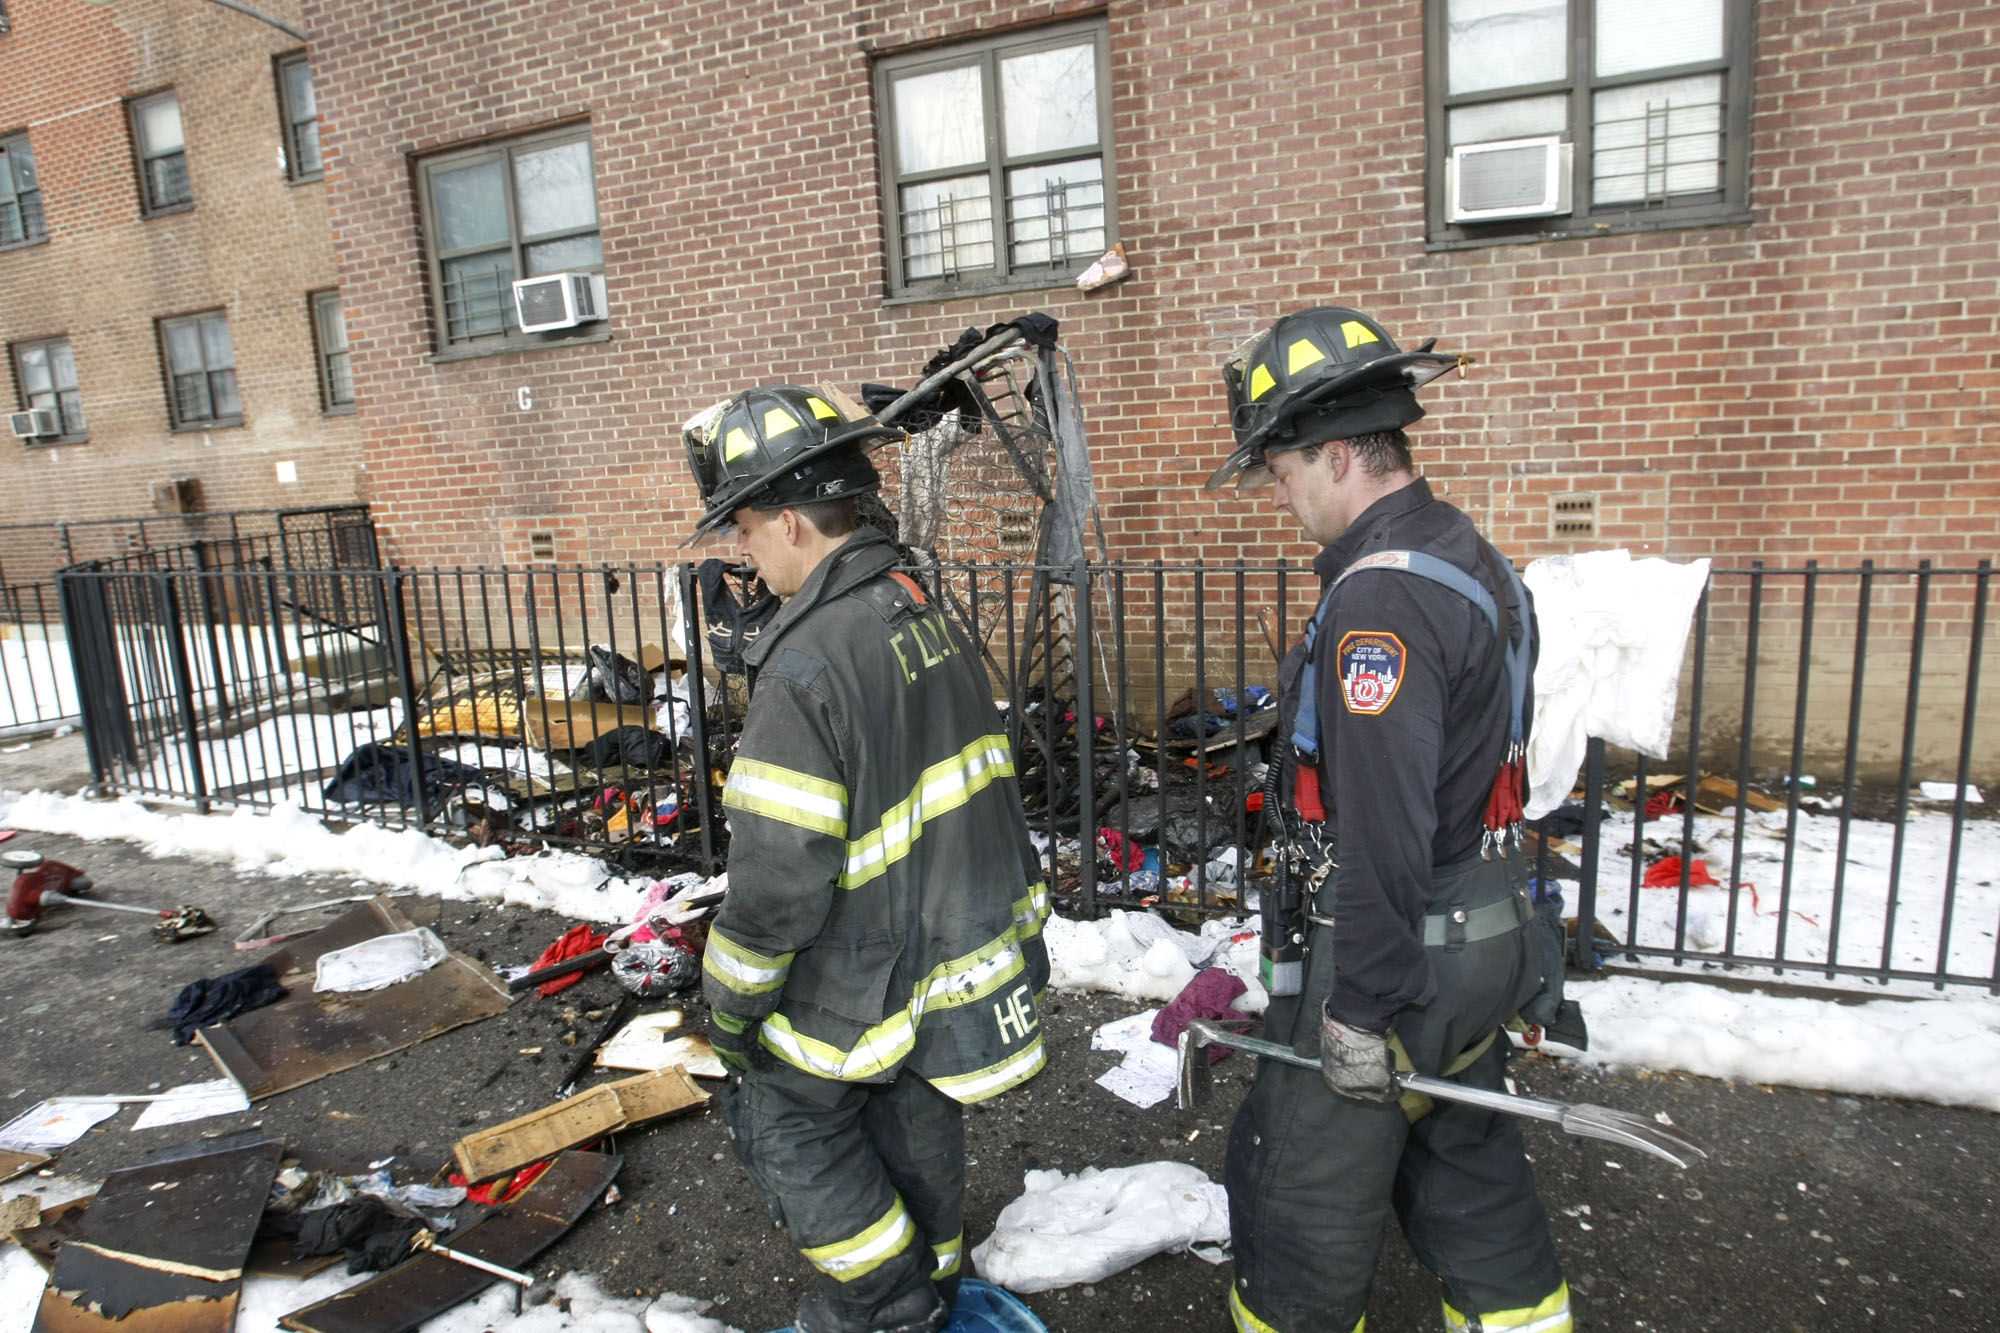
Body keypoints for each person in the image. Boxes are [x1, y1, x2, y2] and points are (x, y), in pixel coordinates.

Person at [1205, 307, 1570, 1333]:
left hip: (1396, 955)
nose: (1282, 502)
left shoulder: (1378, 604)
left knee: (1295, 1202)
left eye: (1279, 476)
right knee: (1465, 1173)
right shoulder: (1469, 555)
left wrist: (1358, 1009)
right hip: (1481, 929)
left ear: (1332, 455)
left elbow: (1386, 831)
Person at [680, 383, 1052, 1333]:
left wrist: (730, 1010)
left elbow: (772, 888)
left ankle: (887, 1306)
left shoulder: (806, 667)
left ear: (794, 522)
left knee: (781, 1113)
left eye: (747, 530)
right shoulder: (915, 602)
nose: (745, 557)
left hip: (855, 973)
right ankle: (931, 1280)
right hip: (936, 959)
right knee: (912, 1109)